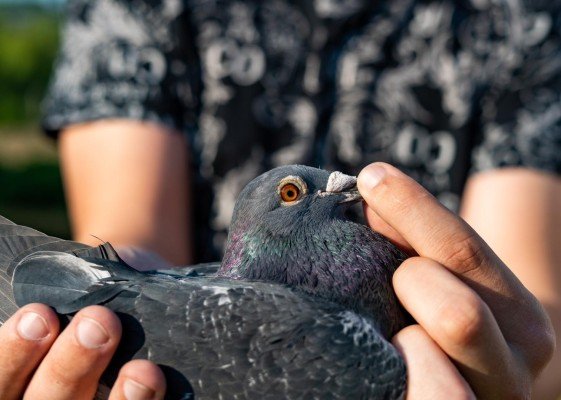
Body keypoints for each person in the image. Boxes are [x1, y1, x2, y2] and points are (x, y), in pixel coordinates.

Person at [0, 0, 560, 398]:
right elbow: (131, 236)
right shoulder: (145, 9)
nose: (341, 183)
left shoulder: (522, 19)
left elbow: (539, 293)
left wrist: (512, 350)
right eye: (296, 192)